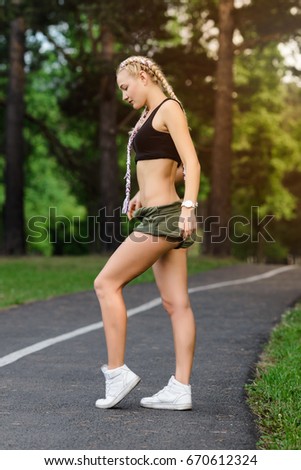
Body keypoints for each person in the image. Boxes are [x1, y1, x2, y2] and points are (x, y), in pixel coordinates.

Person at [94, 56, 201, 410]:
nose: (124, 94)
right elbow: (172, 166)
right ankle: (180, 389)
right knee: (176, 303)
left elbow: (193, 162)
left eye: (126, 86)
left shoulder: (169, 108)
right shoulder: (151, 114)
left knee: (106, 283)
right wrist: (143, 191)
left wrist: (188, 208)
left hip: (165, 219)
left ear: (142, 76)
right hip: (158, 213)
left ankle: (116, 373)